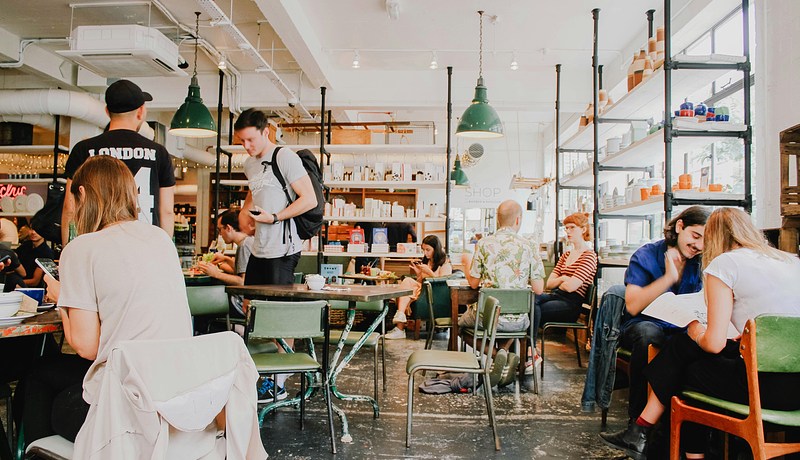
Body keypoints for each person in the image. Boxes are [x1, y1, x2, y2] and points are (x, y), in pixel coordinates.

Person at [601, 207, 800, 460]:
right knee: (686, 351)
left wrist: (695, 327)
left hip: (763, 389)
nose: (701, 246)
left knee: (690, 365)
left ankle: (652, 435)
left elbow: (714, 344)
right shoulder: (791, 260)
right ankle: (644, 431)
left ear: (714, 237)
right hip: (796, 387)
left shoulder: (725, 263)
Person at [20, 156, 192, 446]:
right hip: (173, 397)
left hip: (126, 412)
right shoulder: (161, 239)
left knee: (37, 380)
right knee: (46, 375)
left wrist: (63, 298)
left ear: (83, 194)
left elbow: (86, 347)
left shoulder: (81, 248)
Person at [581, 206, 710, 426]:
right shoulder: (647, 255)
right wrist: (669, 278)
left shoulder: (702, 260)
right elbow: (632, 304)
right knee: (648, 333)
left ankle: (692, 426)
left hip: (684, 328)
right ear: (680, 227)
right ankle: (637, 423)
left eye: (704, 241)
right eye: (695, 236)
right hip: (643, 323)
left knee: (703, 343)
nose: (698, 245)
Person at [234, 108, 318, 401]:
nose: (247, 147)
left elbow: (309, 199)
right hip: (259, 248)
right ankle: (258, 372)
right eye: (242, 141)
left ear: (265, 132)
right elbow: (255, 191)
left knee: (279, 317)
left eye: (251, 140)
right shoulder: (249, 164)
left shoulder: (285, 157)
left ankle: (279, 383)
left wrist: (276, 217)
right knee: (251, 309)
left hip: (284, 248)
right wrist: (247, 213)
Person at [61, 79, 176, 244]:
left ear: (107, 111)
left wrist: (68, 250)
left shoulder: (84, 150)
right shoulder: (159, 153)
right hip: (145, 245)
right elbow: (166, 211)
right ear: (141, 112)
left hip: (98, 244)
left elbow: (70, 208)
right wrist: (165, 251)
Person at [460, 200, 546, 385]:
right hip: (520, 321)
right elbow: (539, 289)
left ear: (497, 220)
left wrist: (466, 264)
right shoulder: (529, 245)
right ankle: (504, 355)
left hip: (488, 318)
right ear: (518, 220)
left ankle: (498, 356)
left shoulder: (483, 244)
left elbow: (474, 284)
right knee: (509, 324)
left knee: (460, 325)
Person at [534, 212, 597, 344]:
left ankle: (530, 347)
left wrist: (563, 282)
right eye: (566, 228)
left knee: (532, 309)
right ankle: (529, 349)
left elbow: (571, 287)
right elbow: (549, 284)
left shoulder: (589, 256)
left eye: (572, 227)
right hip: (556, 296)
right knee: (529, 300)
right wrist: (563, 278)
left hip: (571, 304)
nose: (568, 231)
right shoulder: (566, 255)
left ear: (583, 229)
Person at [384, 235, 452, 339]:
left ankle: (400, 327)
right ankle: (400, 319)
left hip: (434, 294)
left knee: (406, 288)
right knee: (406, 285)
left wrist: (428, 271)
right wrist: (418, 272)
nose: (425, 253)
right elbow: (420, 281)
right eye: (423, 250)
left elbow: (442, 283)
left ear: (436, 248)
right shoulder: (427, 261)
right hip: (423, 290)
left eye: (428, 250)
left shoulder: (445, 263)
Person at [196, 209, 254, 319]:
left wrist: (216, 274)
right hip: (248, 301)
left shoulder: (244, 246)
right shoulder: (248, 241)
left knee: (203, 300)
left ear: (228, 228)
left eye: (220, 230)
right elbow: (245, 270)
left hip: (241, 303)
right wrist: (226, 259)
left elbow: (244, 282)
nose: (220, 234)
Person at [15, 222, 55, 288]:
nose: (33, 232)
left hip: (35, 290)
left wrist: (15, 282)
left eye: (37, 230)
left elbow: (35, 281)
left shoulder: (46, 253)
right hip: (19, 284)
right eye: (31, 229)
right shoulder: (25, 246)